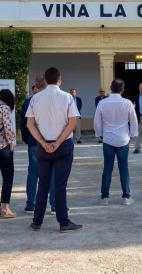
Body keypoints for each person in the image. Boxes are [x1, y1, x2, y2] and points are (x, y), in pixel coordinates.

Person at [26, 67, 82, 232]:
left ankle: (37, 221)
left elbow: (30, 124)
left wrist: (44, 143)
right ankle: (63, 222)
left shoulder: (35, 98)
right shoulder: (67, 97)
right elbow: (72, 123)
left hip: (43, 147)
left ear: (45, 79)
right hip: (63, 145)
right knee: (60, 185)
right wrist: (57, 143)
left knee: (42, 183)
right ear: (60, 79)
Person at [94, 78, 138, 205]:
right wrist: (132, 135)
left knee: (107, 168)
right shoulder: (127, 103)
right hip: (123, 139)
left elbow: (97, 121)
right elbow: (134, 121)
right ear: (122, 90)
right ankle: (126, 196)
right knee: (124, 168)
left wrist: (100, 134)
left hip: (108, 139)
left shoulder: (103, 103)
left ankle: (105, 197)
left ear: (110, 88)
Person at [20, 75, 56, 213]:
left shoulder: (29, 101)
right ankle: (53, 205)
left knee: (33, 173)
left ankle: (30, 204)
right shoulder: (54, 99)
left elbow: (24, 124)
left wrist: (27, 138)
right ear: (47, 84)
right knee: (53, 173)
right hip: (51, 141)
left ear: (36, 85)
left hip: (34, 142)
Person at [0, 89, 16, 218]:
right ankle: (4, 209)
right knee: (8, 176)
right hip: (2, 147)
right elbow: (8, 128)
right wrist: (11, 143)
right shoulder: (4, 108)